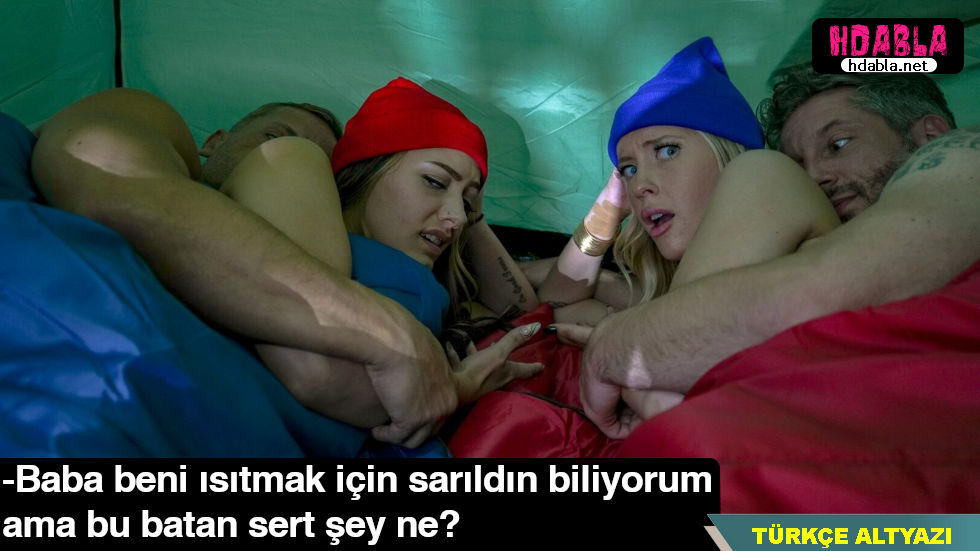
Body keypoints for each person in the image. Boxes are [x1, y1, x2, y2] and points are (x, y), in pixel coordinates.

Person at [28, 86, 521, 448]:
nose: (297, 164)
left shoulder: (355, 246)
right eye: (275, 135)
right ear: (215, 140)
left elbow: (521, 302)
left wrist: (468, 206)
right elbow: (102, 171)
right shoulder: (157, 129)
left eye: (322, 169)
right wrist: (404, 346)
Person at [449, 37, 839, 457]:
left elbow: (666, 360)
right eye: (630, 170)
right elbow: (557, 303)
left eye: (667, 150)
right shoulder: (675, 287)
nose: (641, 186)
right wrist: (606, 211)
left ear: (728, 152)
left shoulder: (765, 172)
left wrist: (614, 347)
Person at [580, 63, 979, 438]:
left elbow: (820, 289)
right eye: (797, 164)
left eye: (837, 144)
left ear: (931, 135)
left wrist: (610, 346)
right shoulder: (803, 243)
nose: (814, 176)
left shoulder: (966, 154)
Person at [218, 77, 543, 428]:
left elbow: (523, 309)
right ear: (367, 169)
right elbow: (317, 364)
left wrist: (474, 214)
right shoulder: (292, 174)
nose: (458, 217)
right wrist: (456, 387)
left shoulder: (431, 281)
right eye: (434, 182)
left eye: (466, 202)